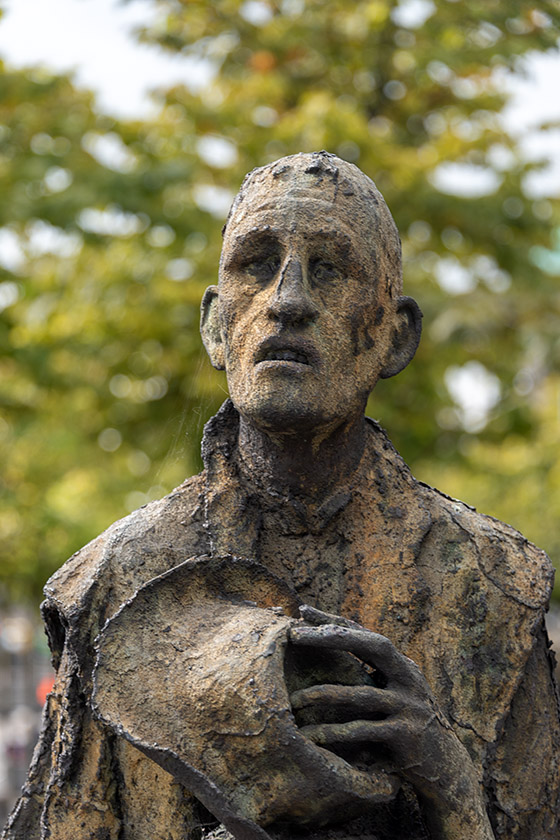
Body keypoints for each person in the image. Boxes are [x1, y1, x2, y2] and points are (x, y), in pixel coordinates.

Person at [3, 152, 559, 840]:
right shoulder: (110, 583)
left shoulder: (498, 586)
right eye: (258, 262)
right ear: (215, 326)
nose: (289, 300)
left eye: (330, 268)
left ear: (394, 334)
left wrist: (448, 789)